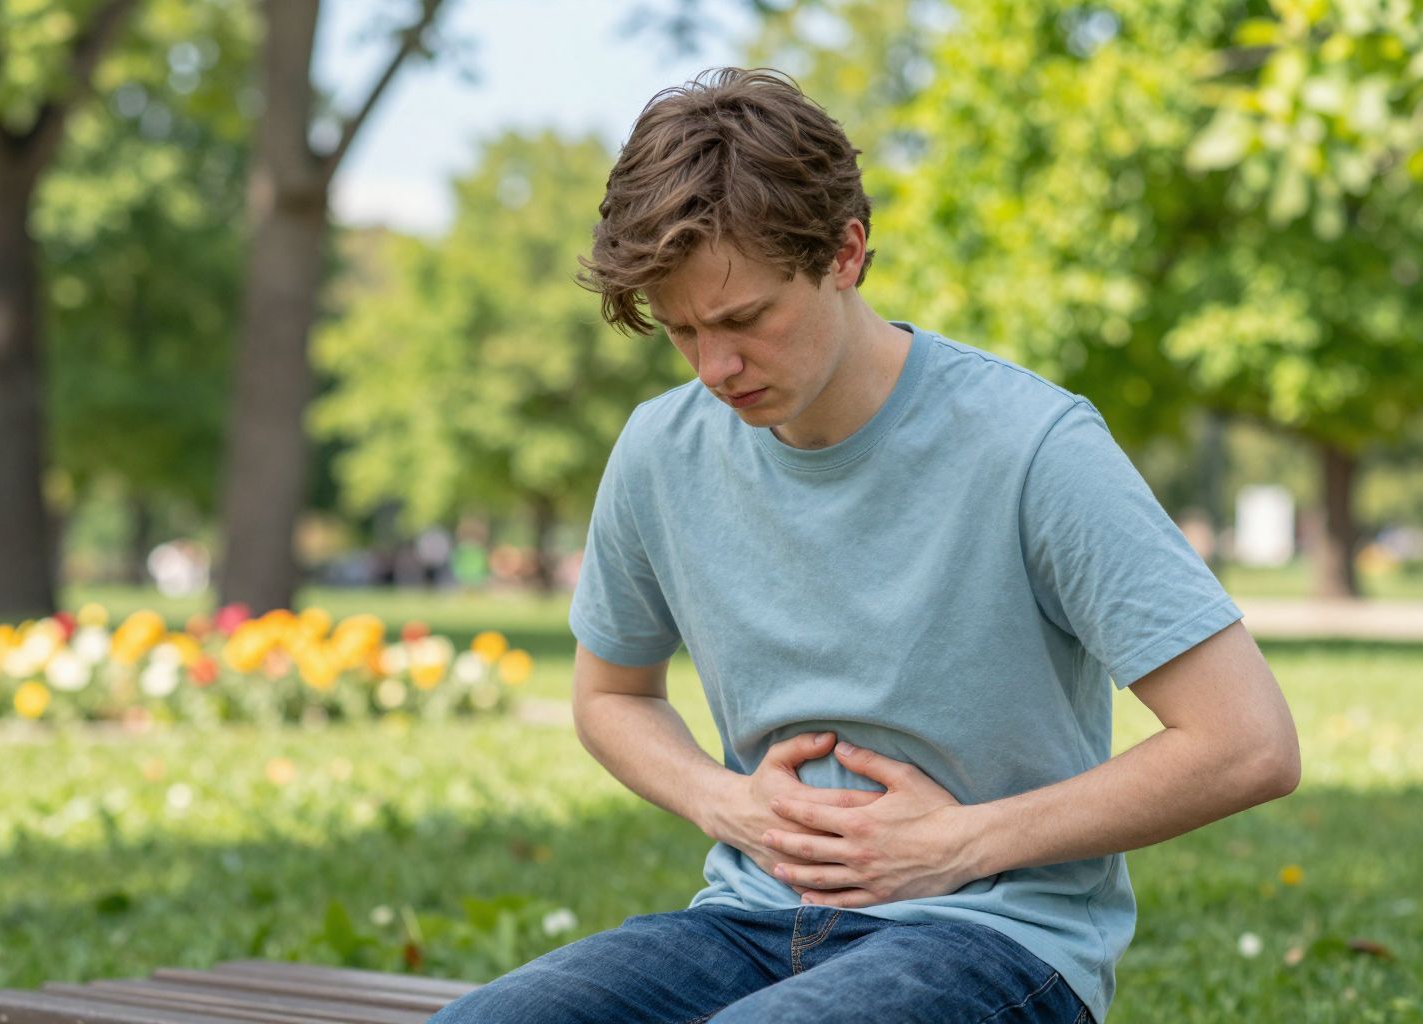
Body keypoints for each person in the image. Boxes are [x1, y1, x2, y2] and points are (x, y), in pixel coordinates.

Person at [431, 67, 1300, 1024]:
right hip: (747, 924)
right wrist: (725, 804)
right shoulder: (660, 452)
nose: (716, 367)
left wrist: (960, 844)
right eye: (680, 331)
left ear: (846, 252)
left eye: (745, 319)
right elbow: (610, 695)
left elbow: (1247, 743)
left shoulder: (1033, 446)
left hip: (995, 943)